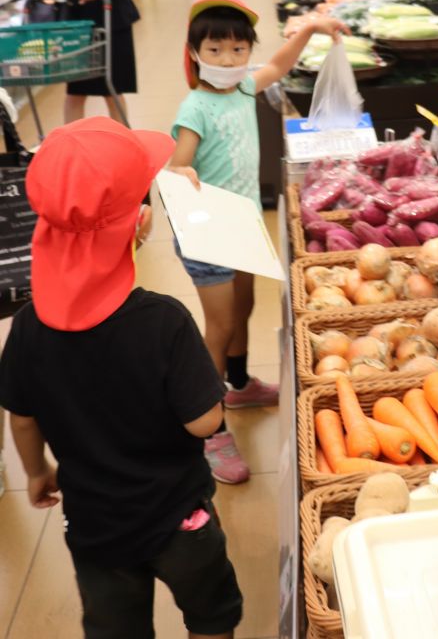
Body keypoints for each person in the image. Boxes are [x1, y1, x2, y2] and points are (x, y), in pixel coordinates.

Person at [0, 116, 243, 639]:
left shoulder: (26, 329)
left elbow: (21, 419)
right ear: (139, 225)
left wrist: (38, 471)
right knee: (211, 614)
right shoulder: (164, 321)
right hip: (180, 519)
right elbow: (204, 424)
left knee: (115, 627)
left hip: (95, 528)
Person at [169, 0, 348, 484]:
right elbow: (178, 161)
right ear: (194, 53)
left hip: (242, 223)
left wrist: (309, 31)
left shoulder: (246, 88)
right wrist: (181, 175)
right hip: (207, 228)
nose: (228, 60)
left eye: (236, 49)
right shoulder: (196, 107)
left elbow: (279, 64)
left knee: (244, 307)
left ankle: (240, 382)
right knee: (219, 325)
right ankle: (209, 426)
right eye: (215, 50)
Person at [63, 0, 140, 124]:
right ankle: (71, 141)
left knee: (112, 89)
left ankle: (121, 140)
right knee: (76, 91)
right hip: (79, 23)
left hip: (110, 17)